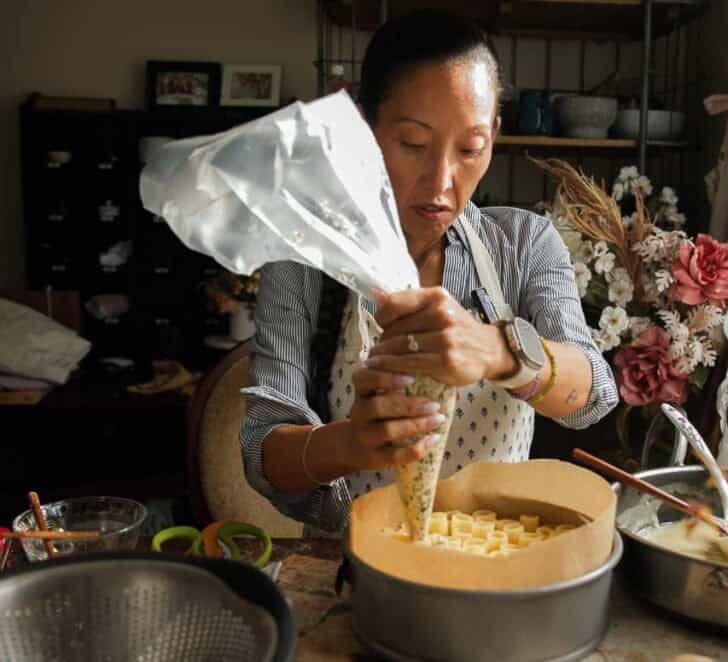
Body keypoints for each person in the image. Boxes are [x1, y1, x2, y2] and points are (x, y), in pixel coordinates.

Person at [240, 9, 619, 534]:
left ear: (494, 135)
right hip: (359, 569)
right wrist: (351, 442)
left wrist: (499, 352)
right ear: (365, 130)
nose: (442, 183)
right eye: (413, 144)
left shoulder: (522, 244)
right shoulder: (306, 261)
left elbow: (593, 397)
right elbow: (263, 452)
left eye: (470, 149)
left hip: (492, 563)